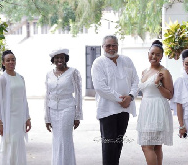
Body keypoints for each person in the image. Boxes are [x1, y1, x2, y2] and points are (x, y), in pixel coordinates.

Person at [91, 35, 139, 165]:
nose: (111, 48)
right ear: (103, 47)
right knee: (109, 145)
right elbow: (100, 87)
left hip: (124, 109)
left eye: (114, 45)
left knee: (118, 143)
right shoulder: (98, 63)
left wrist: (131, 96)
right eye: (108, 45)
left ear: (118, 46)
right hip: (107, 110)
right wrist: (120, 99)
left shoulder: (127, 60)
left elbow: (136, 80)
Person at [137, 40, 174, 165]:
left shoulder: (164, 72)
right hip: (146, 110)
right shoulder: (144, 72)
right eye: (152, 53)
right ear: (148, 54)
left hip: (157, 109)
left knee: (146, 146)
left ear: (161, 56)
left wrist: (158, 85)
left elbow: (170, 95)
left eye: (157, 54)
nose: (154, 57)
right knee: (156, 146)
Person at [44, 48, 83, 165]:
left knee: (65, 139)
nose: (59, 60)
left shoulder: (73, 72)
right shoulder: (49, 74)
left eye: (62, 57)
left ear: (66, 59)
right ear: (53, 60)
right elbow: (47, 95)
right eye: (57, 58)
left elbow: (79, 94)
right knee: (56, 140)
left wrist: (78, 115)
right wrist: (47, 118)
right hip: (53, 110)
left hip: (68, 109)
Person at [0, 50, 31, 165]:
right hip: (9, 119)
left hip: (20, 118)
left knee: (19, 144)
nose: (11, 62)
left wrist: (27, 118)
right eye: (8, 60)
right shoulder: (2, 80)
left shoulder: (21, 78)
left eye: (13, 60)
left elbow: (24, 99)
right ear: (3, 63)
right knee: (10, 145)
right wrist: (1, 123)